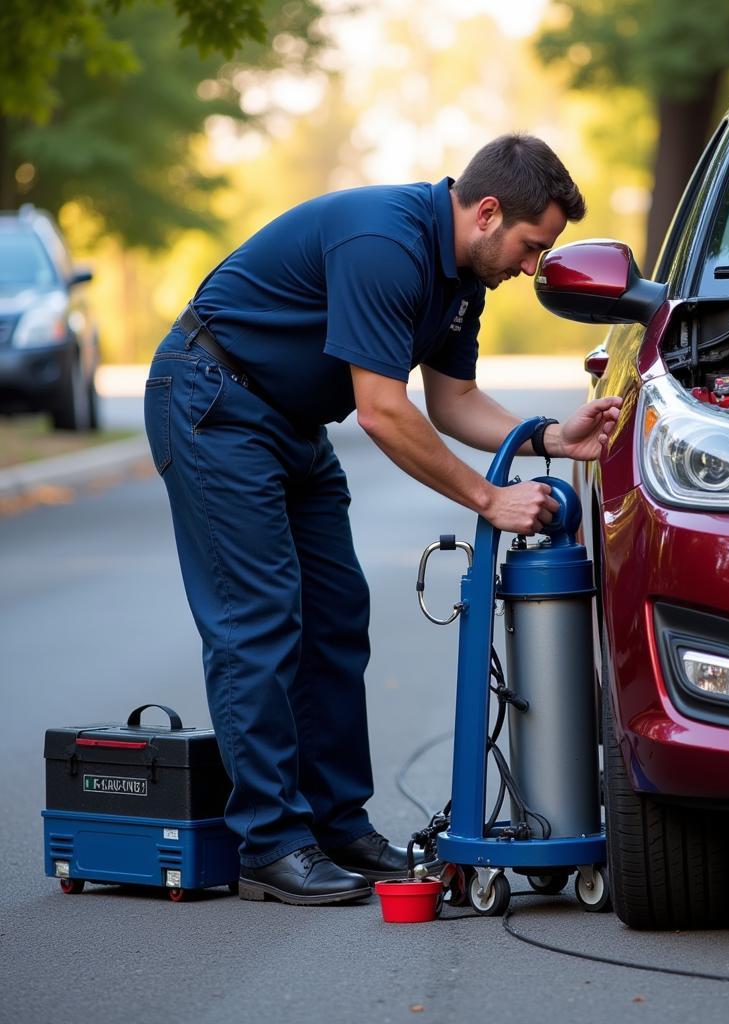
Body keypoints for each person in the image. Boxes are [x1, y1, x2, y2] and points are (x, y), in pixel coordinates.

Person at [144, 133, 621, 906]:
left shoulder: (463, 280)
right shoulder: (387, 244)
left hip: (289, 424)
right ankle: (270, 842)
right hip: (213, 402)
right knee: (259, 618)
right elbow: (382, 411)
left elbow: (453, 401)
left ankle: (338, 826)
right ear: (489, 212)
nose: (532, 267)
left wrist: (550, 436)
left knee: (337, 612)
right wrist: (486, 497)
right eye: (533, 247)